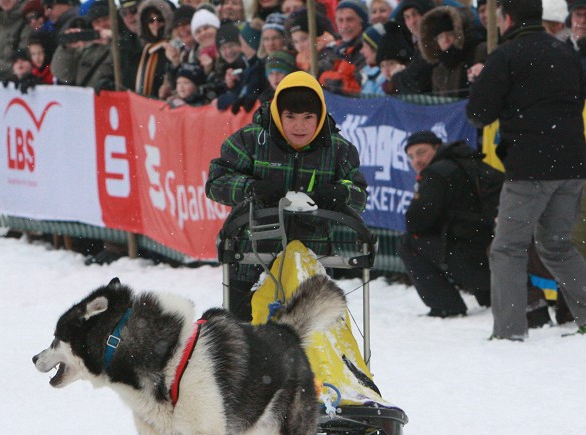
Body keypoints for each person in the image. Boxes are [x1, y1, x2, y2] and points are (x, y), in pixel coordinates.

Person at [467, 0, 586, 339]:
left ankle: (509, 332)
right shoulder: (564, 51)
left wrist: (485, 84)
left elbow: (479, 113)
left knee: (508, 248)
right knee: (557, 244)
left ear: (506, 19)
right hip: (573, 161)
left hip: (530, 166)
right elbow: (578, 99)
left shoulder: (505, 55)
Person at [205, 70, 367, 320]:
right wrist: (252, 187)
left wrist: (339, 193)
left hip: (312, 265)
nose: (299, 125)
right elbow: (216, 182)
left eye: (308, 117)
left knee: (309, 346)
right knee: (248, 343)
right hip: (251, 260)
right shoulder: (251, 140)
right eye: (290, 116)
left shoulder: (338, 150)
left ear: (320, 116)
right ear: (277, 115)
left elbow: (359, 195)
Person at [400, 130, 495, 318]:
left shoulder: (437, 172)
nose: (416, 161)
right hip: (497, 254)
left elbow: (417, 221)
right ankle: (490, 297)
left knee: (407, 242)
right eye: (411, 157)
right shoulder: (468, 162)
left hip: (475, 259)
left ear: (436, 148)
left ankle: (446, 306)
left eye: (421, 152)